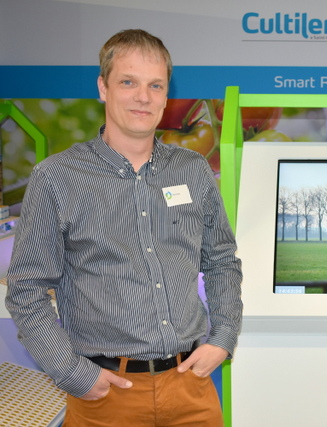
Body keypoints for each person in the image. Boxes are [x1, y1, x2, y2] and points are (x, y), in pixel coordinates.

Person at [5, 29, 243, 426]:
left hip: (192, 389)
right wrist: (73, 374)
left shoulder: (192, 170)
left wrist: (223, 337)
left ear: (166, 96)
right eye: (128, 82)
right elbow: (26, 291)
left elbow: (221, 260)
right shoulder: (57, 178)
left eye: (155, 85)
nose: (143, 97)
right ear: (103, 87)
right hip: (106, 395)